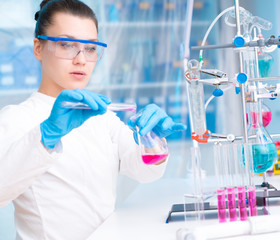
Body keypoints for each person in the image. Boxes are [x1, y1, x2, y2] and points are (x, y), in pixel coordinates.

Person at [0, 0, 186, 239]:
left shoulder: (102, 118)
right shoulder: (16, 118)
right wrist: (45, 137)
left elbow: (145, 171)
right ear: (38, 48)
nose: (81, 59)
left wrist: (153, 139)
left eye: (90, 48)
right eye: (67, 45)